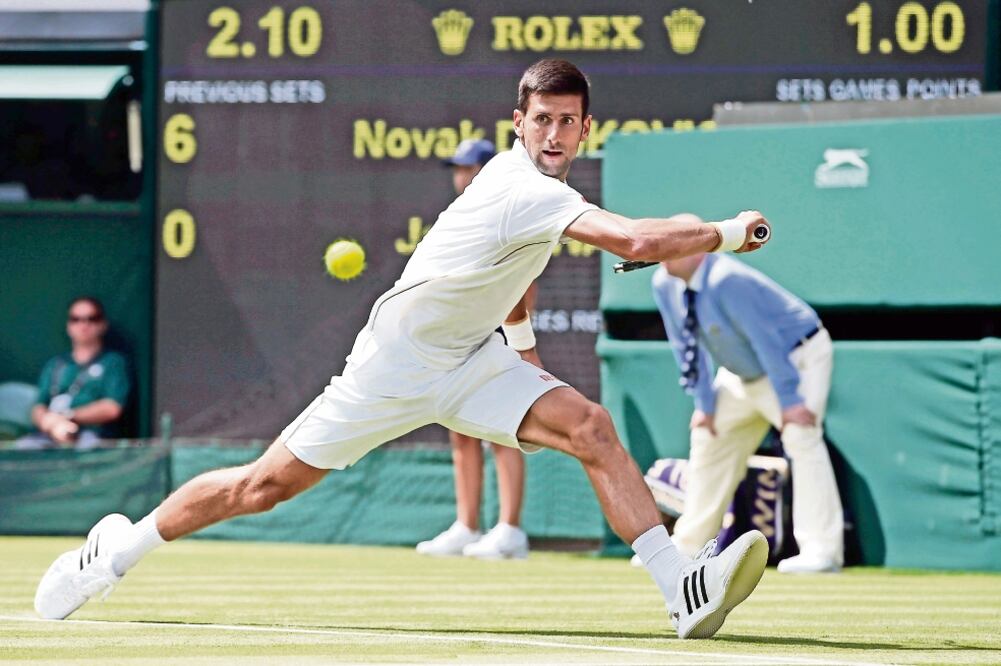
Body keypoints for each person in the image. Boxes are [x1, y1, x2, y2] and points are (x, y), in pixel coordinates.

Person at [35, 59, 772, 639]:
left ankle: (681, 589)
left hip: (470, 361)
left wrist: (520, 350)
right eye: (541, 120)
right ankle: (115, 554)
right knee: (261, 488)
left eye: (567, 122)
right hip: (392, 365)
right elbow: (639, 242)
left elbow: (516, 279)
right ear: (519, 123)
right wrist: (731, 231)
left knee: (589, 428)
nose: (553, 134)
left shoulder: (541, 197)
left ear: (586, 130)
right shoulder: (523, 187)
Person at [651, 246, 844, 574]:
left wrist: (790, 402)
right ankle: (687, 547)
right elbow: (684, 344)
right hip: (742, 372)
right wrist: (705, 404)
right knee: (708, 437)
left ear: (699, 253)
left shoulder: (728, 279)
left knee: (801, 437)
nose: (663, 254)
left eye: (674, 246)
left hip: (796, 359)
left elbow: (766, 340)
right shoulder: (664, 283)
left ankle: (822, 551)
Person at [416, 138, 532, 559]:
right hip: (461, 338)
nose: (460, 176)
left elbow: (523, 283)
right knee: (461, 432)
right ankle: (466, 525)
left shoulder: (507, 214)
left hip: (500, 338)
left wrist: (516, 338)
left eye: (469, 168)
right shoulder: (458, 219)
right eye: (458, 169)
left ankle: (510, 530)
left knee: (504, 432)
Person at [16, 297, 130, 450]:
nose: (84, 325)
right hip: (49, 433)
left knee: (87, 448)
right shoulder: (55, 364)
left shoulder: (113, 362)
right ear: (69, 326)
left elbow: (112, 407)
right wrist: (50, 424)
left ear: (103, 325)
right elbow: (38, 407)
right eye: (76, 319)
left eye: (92, 319)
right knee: (23, 447)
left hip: (90, 435)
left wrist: (68, 416)